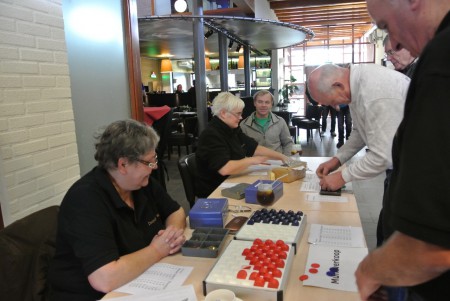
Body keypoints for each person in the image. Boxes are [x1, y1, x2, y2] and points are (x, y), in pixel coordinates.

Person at [355, 1, 450, 300]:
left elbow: (430, 245)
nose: (392, 42)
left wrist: (372, 269)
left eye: (385, 26)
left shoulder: (441, 58)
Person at [49, 120, 186, 301]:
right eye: (150, 162)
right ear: (123, 165)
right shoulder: (85, 199)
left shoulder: (141, 183)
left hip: (138, 281)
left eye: (155, 159)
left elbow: (176, 212)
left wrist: (171, 234)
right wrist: (158, 250)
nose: (155, 167)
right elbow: (104, 278)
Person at [307, 63, 409, 194]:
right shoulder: (355, 85)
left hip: (422, 170)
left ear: (338, 85)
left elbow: (383, 156)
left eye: (333, 102)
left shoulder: (375, 92)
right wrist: (337, 159)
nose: (336, 108)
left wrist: (342, 177)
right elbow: (360, 131)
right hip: (401, 166)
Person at [195, 92, 292, 198]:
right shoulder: (211, 135)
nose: (241, 117)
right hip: (215, 191)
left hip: (233, 180)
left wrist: (281, 156)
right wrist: (253, 160)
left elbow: (254, 147)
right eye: (237, 114)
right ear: (223, 113)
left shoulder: (231, 129)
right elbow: (225, 168)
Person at [240, 90, 294, 156]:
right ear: (254, 103)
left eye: (267, 102)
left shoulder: (280, 121)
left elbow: (288, 143)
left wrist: (286, 159)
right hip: (254, 164)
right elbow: (241, 148)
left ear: (271, 104)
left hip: (277, 162)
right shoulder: (244, 124)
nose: (263, 105)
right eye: (260, 102)